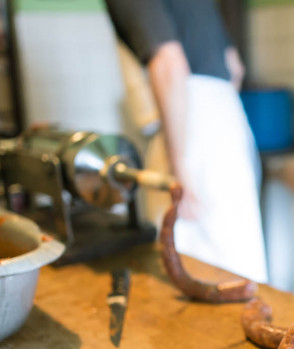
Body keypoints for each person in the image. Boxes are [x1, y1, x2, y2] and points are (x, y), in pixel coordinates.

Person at [105, 0, 268, 283]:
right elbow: (234, 67)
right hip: (226, 120)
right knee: (239, 261)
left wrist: (179, 169)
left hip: (189, 127)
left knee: (192, 269)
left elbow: (168, 62)